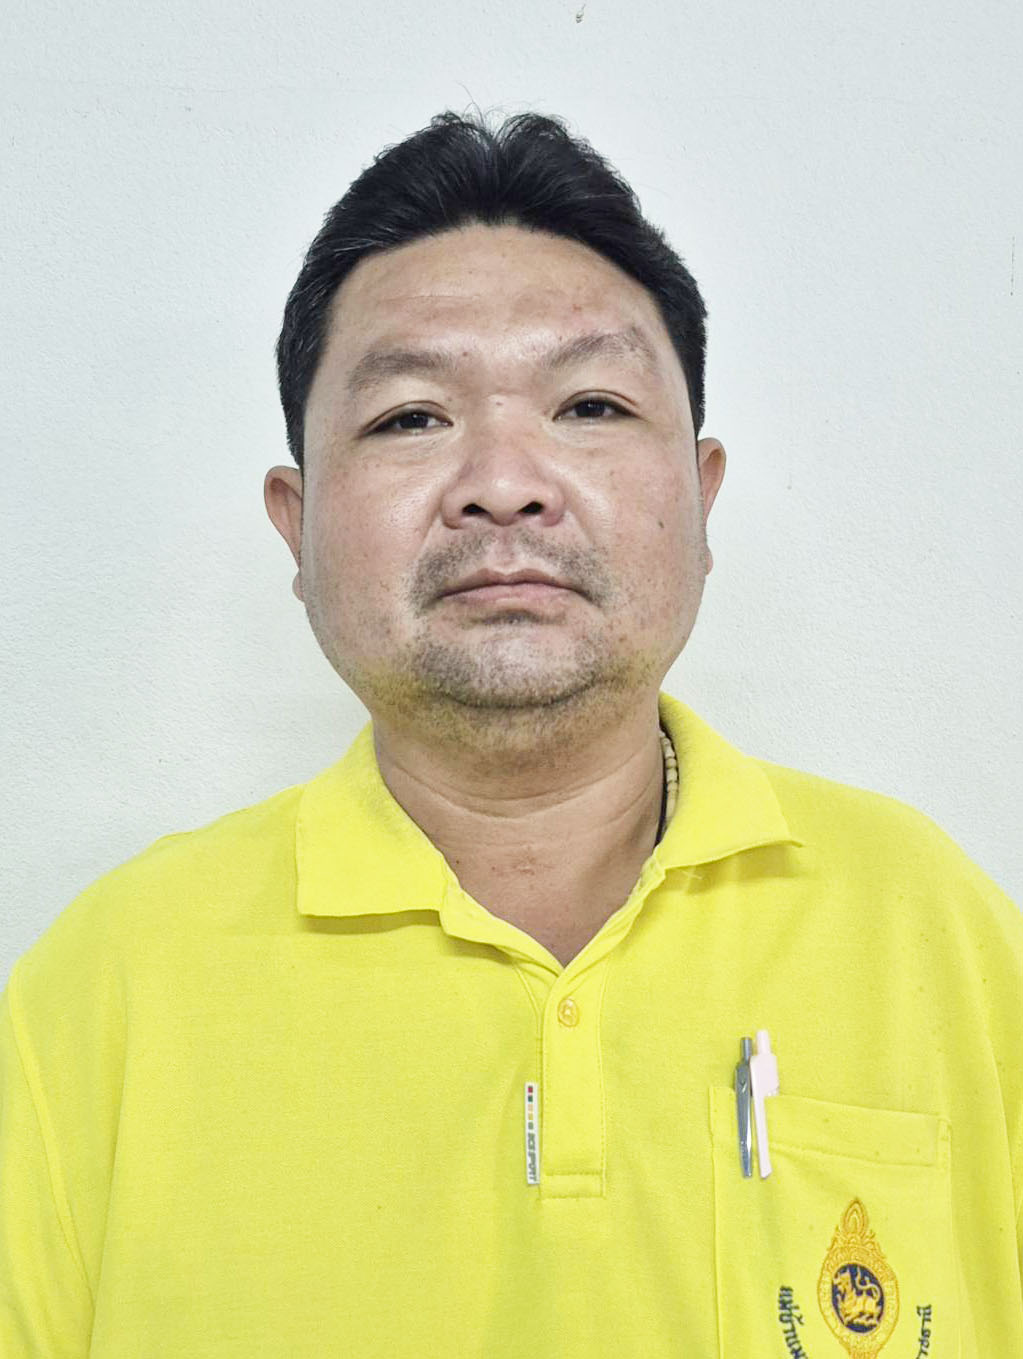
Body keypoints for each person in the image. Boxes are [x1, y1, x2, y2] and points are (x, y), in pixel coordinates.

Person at [1, 111, 1020, 1358]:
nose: (505, 483)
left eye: (589, 403)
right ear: (295, 525)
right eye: (410, 418)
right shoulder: (103, 991)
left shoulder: (938, 932)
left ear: (702, 501)